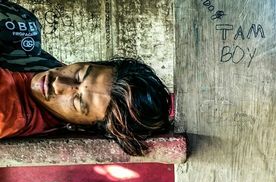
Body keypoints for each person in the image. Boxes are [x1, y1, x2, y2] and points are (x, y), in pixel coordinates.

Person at [1, 1, 172, 156]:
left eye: (77, 102)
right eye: (79, 74)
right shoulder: (30, 38)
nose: (59, 83)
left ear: (77, 126)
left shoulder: (6, 108)